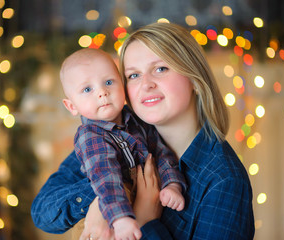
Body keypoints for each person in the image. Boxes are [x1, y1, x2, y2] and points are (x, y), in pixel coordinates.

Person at [31, 22, 255, 239]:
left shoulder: (223, 179)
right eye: (133, 75)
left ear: (194, 79)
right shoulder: (113, 136)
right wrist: (104, 198)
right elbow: (42, 213)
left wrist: (146, 221)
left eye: (160, 69)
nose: (145, 84)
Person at [55, 48, 186, 239]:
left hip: (146, 193)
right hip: (111, 206)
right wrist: (120, 219)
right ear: (72, 106)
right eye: (87, 89)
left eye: (108, 82)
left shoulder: (136, 119)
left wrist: (172, 183)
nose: (102, 92)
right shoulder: (89, 136)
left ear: (122, 86)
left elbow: (159, 151)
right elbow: (106, 177)